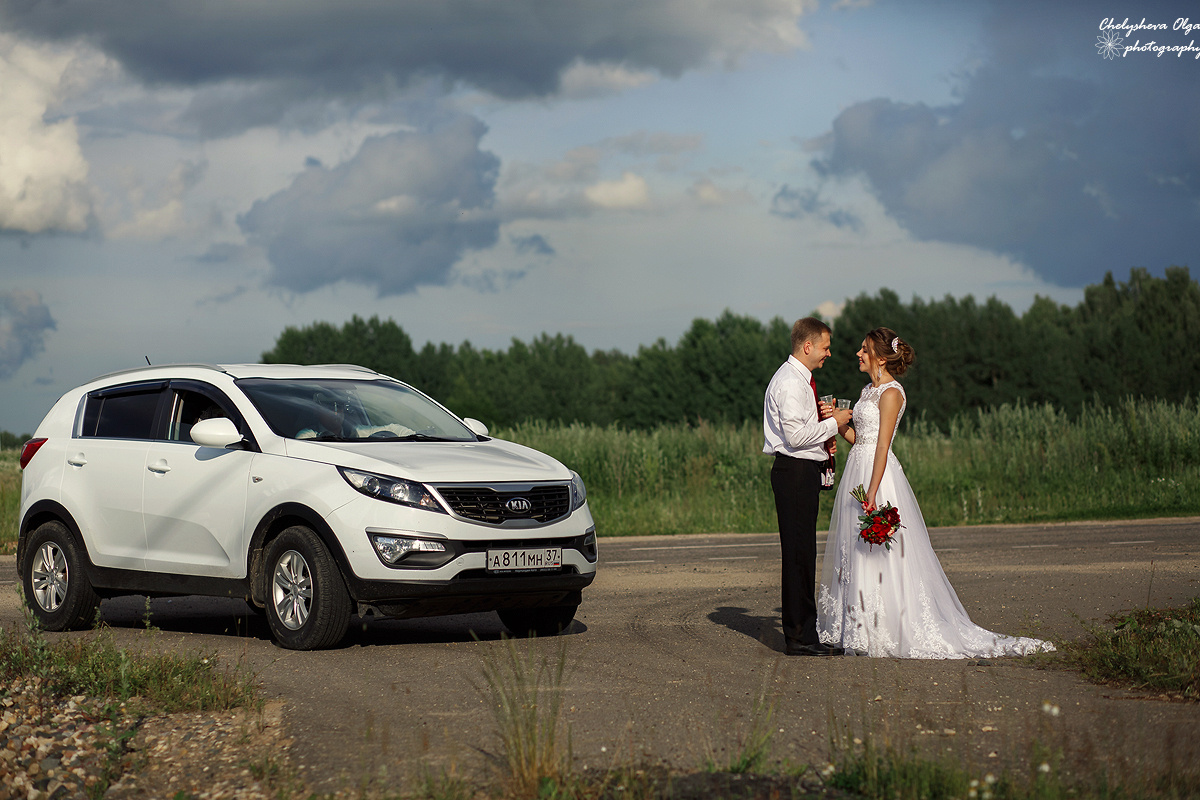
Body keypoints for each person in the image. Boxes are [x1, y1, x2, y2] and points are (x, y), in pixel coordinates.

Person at [817, 327, 1055, 658]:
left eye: (864, 349)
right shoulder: (867, 390)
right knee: (857, 549)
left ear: (881, 358)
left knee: (883, 550)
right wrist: (840, 425)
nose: (858, 353)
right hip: (858, 468)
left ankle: (888, 626)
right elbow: (862, 439)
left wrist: (872, 492)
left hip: (878, 476)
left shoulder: (891, 393)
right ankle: (860, 627)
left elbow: (883, 445)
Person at [763, 317, 853, 657]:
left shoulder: (803, 381)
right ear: (807, 346)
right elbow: (796, 437)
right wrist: (834, 423)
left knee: (804, 553)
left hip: (803, 470)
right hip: (793, 471)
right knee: (799, 554)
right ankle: (799, 636)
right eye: (826, 347)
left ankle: (806, 631)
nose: (829, 354)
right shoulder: (789, 383)